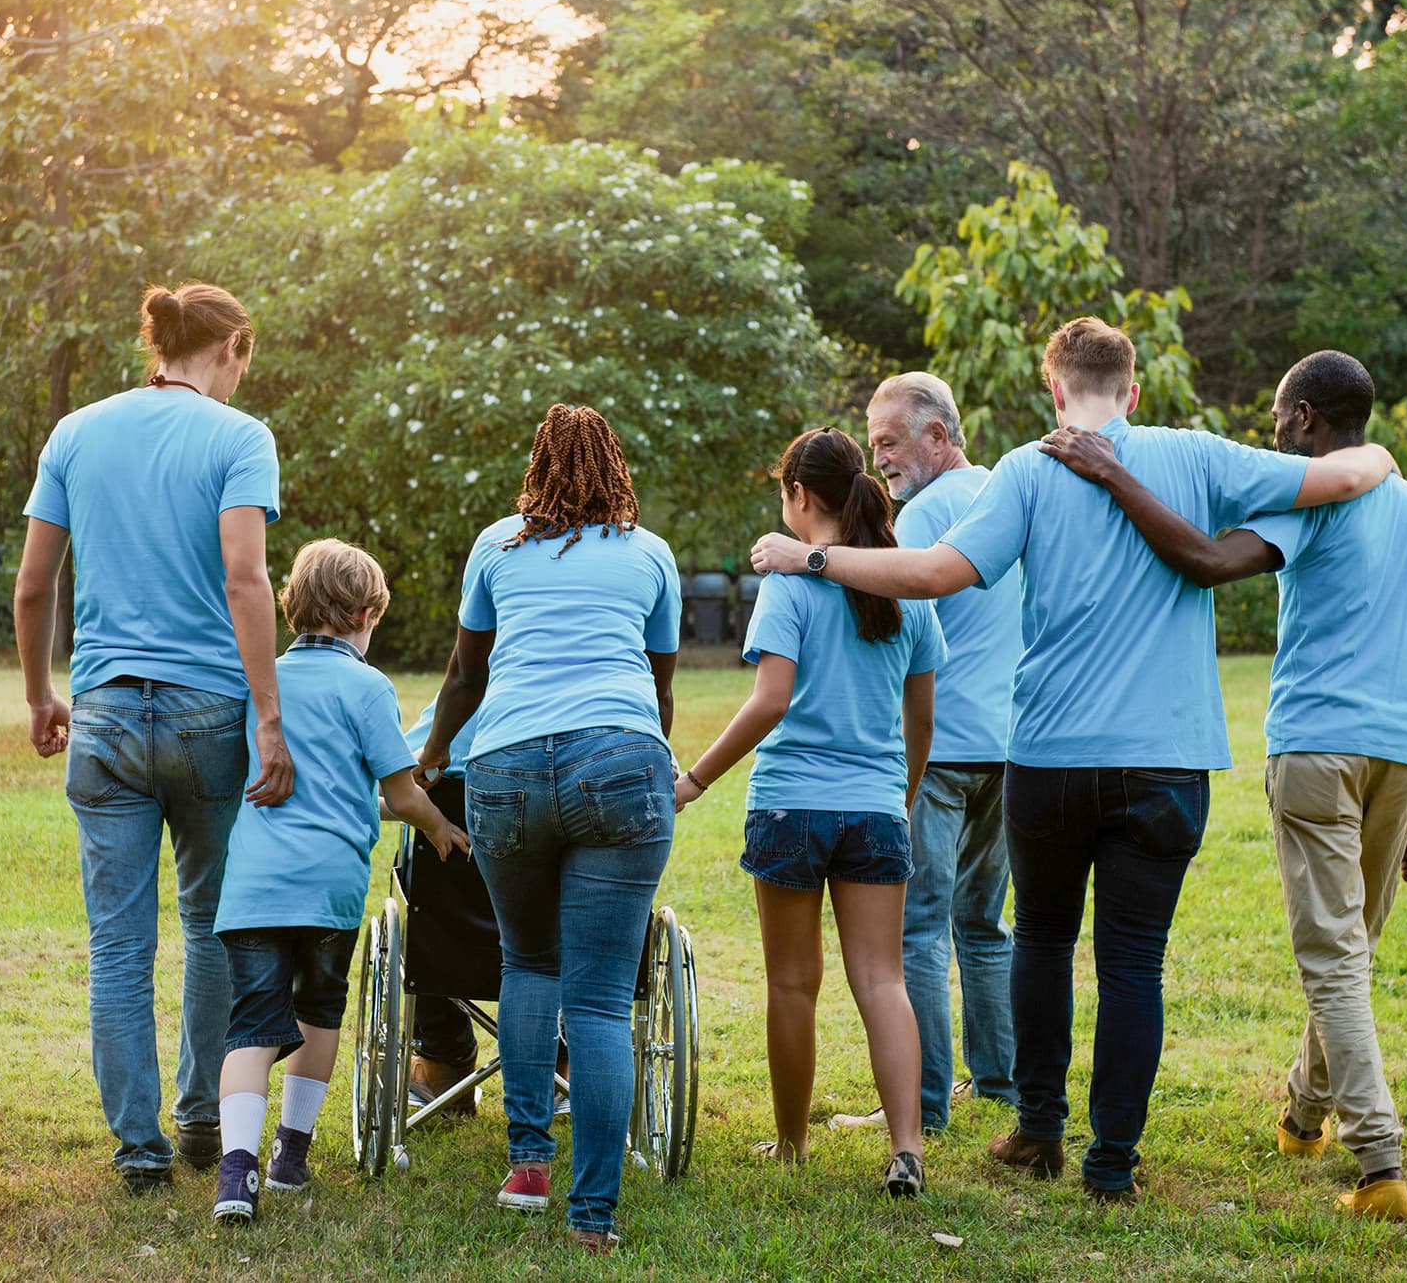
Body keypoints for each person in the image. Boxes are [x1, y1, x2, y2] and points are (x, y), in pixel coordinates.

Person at [751, 317, 1400, 1202]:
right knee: (1134, 963)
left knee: (1045, 941)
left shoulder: (1028, 468)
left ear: (1055, 391)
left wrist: (813, 559)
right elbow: (1345, 473)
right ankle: (1112, 1164)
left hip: (1051, 756)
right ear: (1132, 392)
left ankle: (1040, 1131)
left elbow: (933, 574)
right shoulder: (1200, 455)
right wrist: (1381, 458)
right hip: (1168, 760)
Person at [1039, 350, 1407, 1219]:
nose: (1271, 434)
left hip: (1317, 750)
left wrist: (1112, 473)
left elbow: (1202, 560)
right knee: (1351, 947)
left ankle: (1379, 1164)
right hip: (1403, 752)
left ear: (1305, 417)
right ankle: (1303, 1115)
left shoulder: (1313, 499)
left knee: (1333, 955)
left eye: (1276, 418)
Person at [12, 282, 295, 1193]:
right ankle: (204, 1117)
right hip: (208, 716)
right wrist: (268, 717)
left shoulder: (76, 433)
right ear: (232, 347)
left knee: (118, 947)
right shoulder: (240, 439)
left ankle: (139, 1150)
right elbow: (247, 582)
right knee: (211, 927)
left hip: (101, 715)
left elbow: (34, 586)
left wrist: (41, 696)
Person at [418, 404, 680, 1256]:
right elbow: (659, 685)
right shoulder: (651, 554)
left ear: (536, 466)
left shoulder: (497, 546)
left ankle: (528, 1165)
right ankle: (592, 1217)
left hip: (508, 769)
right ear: (615, 466)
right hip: (622, 760)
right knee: (600, 1000)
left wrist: (432, 755)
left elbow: (466, 676)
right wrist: (646, 763)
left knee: (528, 962)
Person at [677, 427, 947, 1197]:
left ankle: (792, 1146)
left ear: (799, 495)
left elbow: (770, 702)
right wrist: (901, 793)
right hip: (876, 810)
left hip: (791, 806)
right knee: (883, 982)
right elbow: (923, 719)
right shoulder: (904, 587)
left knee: (793, 984)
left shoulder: (789, 585)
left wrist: (695, 780)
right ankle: (907, 1150)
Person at [210, 539, 467, 1223]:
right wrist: (441, 828)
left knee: (250, 1026)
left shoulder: (262, 681)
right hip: (329, 889)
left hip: (254, 887)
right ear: (365, 614)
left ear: (292, 608)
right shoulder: (367, 687)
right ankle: (290, 1157)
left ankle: (235, 1175)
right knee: (319, 1009)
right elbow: (403, 794)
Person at [829, 373, 1019, 1136]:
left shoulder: (926, 514)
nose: (879, 460)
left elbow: (886, 621)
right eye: (873, 444)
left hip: (938, 752)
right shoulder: (1008, 496)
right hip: (1009, 747)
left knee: (918, 930)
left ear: (938, 436)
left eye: (889, 443)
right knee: (984, 924)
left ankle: (924, 1104)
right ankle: (999, 1083)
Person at [397, 698, 571, 1118]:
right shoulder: (602, 698)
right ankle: (565, 1062)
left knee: (420, 883)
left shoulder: (462, 707)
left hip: (456, 931)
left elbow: (397, 780)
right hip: (559, 923)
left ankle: (445, 1060)